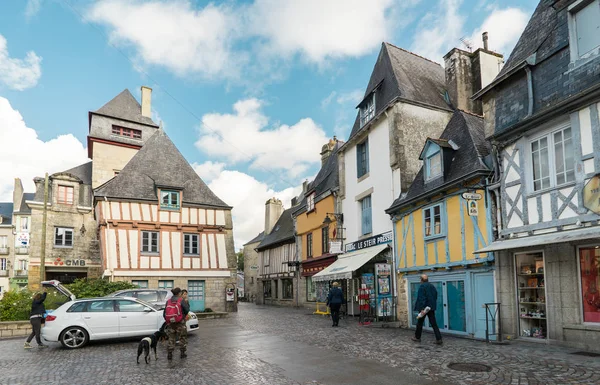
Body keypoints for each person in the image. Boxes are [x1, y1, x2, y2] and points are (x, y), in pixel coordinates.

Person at [412, 274, 443, 344]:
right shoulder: (432, 286)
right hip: (430, 308)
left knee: (420, 323)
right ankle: (439, 338)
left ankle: (417, 337)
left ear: (421, 280)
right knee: (434, 323)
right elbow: (435, 295)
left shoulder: (422, 287)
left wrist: (422, 308)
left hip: (424, 308)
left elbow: (421, 298)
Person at [163, 287, 190, 360]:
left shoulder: (168, 301)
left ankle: (170, 354)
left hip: (171, 323)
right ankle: (182, 353)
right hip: (180, 322)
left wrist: (169, 320)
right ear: (179, 293)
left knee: (171, 338)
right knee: (182, 337)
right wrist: (182, 316)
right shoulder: (181, 300)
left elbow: (164, 313)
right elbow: (187, 309)